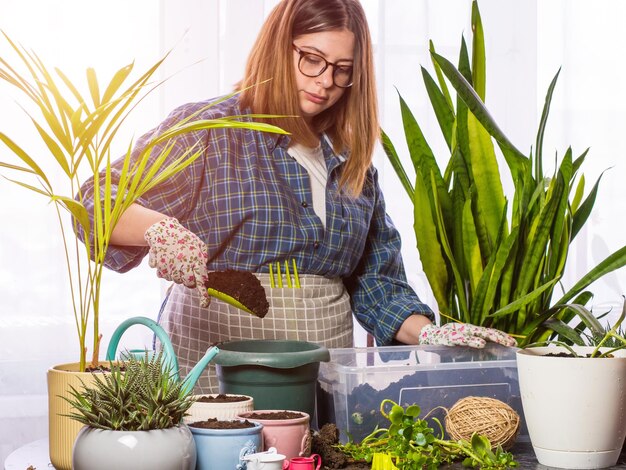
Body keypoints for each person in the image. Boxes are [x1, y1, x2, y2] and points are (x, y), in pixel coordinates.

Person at [79, 0, 516, 393]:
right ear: (278, 46)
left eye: (342, 70)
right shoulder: (210, 130)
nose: (325, 82)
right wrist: (158, 229)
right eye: (312, 59)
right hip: (208, 373)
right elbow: (97, 200)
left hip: (316, 383)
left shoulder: (353, 165)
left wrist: (433, 335)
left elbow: (378, 286)